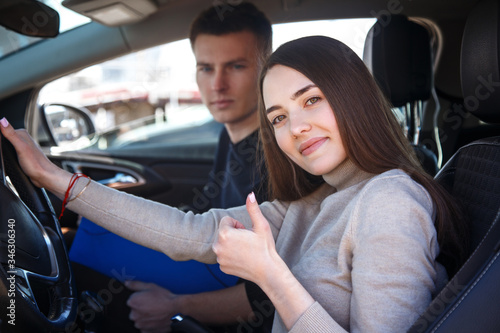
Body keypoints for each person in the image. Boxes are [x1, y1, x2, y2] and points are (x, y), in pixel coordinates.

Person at [0, 35, 469, 332]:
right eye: (279, 117)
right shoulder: (312, 204)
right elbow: (190, 233)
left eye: (312, 100)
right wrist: (55, 178)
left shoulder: (388, 200)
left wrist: (270, 273)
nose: (296, 127)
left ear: (354, 99)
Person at [66, 2, 275, 333]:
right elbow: (205, 211)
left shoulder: (277, 157)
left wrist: (176, 305)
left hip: (245, 307)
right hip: (213, 268)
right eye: (206, 68)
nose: (217, 85)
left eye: (235, 66)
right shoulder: (230, 135)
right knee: (89, 229)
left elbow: (273, 292)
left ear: (266, 68)